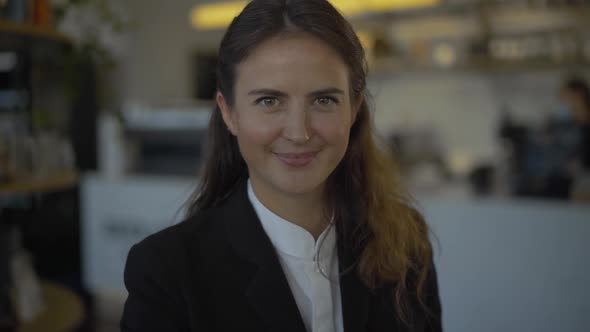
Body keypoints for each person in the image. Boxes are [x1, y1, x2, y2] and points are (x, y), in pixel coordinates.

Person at [120, 1, 442, 331]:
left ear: (354, 109)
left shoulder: (405, 243)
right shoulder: (166, 273)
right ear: (229, 112)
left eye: (324, 100)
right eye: (269, 101)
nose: (299, 133)